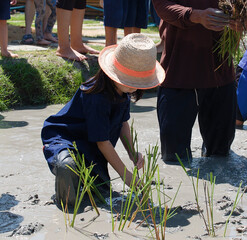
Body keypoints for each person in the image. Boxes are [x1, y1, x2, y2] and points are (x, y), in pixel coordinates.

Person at [41, 33, 165, 206]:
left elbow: (122, 123)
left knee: (100, 193)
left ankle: (80, 180)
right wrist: (127, 176)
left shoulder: (124, 91)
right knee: (68, 167)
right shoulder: (96, 96)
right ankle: (64, 202)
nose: (133, 85)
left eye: (138, 81)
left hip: (91, 147)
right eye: (130, 80)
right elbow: (103, 142)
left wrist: (132, 152)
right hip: (67, 140)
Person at [152, 0, 247, 162]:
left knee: (220, 156)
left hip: (219, 73)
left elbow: (246, 9)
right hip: (178, 72)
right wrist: (195, 15)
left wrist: (244, 20)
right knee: (174, 158)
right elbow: (162, 5)